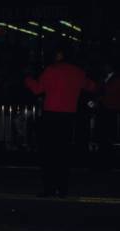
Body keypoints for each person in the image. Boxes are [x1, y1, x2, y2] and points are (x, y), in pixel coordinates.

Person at [25, 45, 97, 197]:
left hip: (51, 115)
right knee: (64, 153)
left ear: (58, 55)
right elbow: (92, 86)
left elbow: (38, 89)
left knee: (49, 153)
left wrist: (28, 79)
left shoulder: (51, 70)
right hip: (69, 116)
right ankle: (63, 188)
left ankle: (49, 189)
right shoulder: (78, 72)